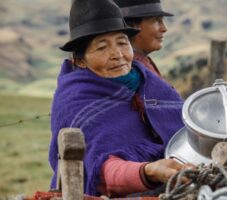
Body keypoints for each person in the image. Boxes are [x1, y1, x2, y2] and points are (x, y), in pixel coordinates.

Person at [48, 0, 188, 197]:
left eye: (122, 43)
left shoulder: (150, 83)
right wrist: (148, 171)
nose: (117, 54)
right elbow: (99, 169)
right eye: (102, 47)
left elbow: (187, 131)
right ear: (80, 60)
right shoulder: (76, 100)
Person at [113, 0, 172, 79]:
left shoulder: (139, 64)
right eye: (157, 20)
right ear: (133, 26)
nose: (164, 28)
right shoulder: (135, 71)